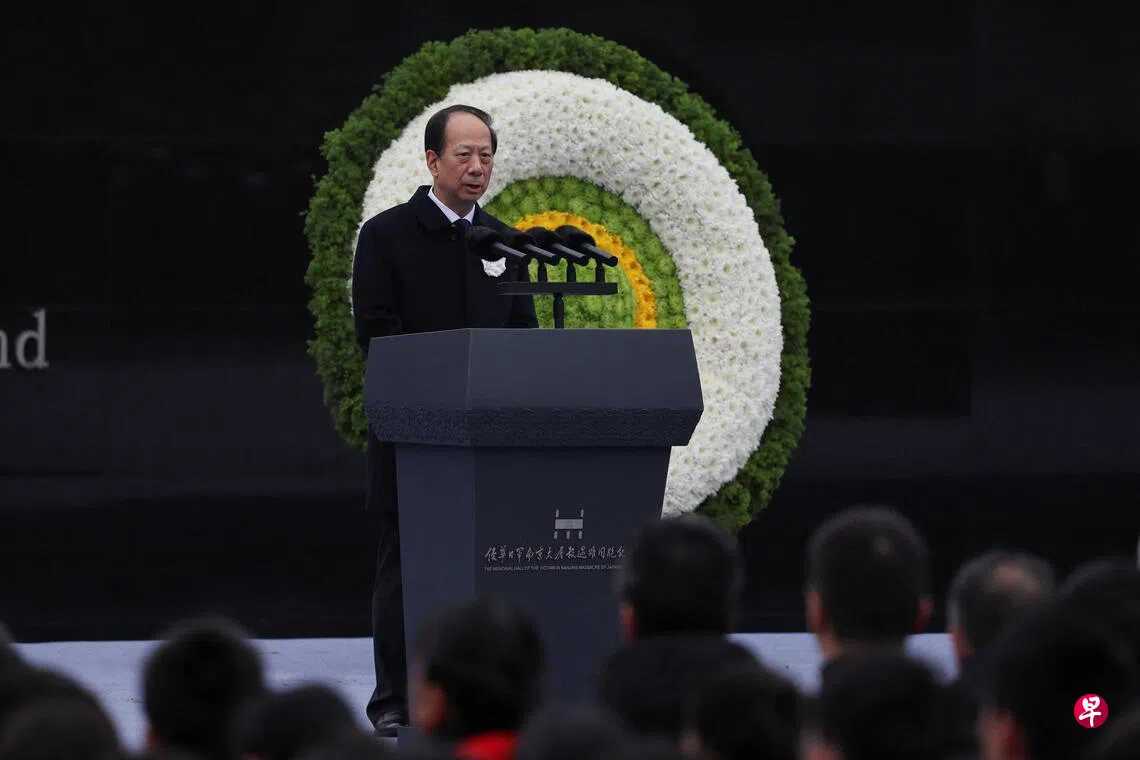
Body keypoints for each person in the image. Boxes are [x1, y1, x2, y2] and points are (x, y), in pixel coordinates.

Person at [351, 104, 538, 737]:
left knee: (493, 562)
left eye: (486, 154)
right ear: (432, 161)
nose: (477, 166)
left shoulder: (507, 242)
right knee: (405, 565)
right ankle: (394, 697)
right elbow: (375, 330)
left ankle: (484, 696)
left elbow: (524, 333)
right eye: (464, 154)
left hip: (491, 437)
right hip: (414, 435)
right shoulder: (386, 235)